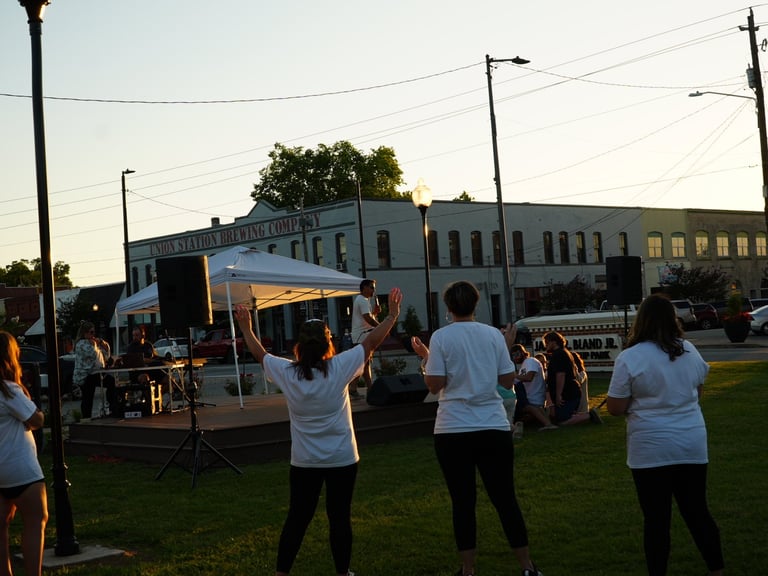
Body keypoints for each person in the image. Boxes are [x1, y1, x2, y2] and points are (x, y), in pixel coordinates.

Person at [234, 287, 403, 576]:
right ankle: (342, 572)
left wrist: (246, 328)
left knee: (297, 519)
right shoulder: (340, 366)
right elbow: (371, 342)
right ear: (328, 343)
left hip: (305, 462)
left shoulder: (288, 373)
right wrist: (392, 316)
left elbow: (260, 354)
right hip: (342, 459)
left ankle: (281, 573)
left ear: (299, 346)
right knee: (339, 518)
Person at [412, 281, 543, 576]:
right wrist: (501, 350)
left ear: (448, 307)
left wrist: (428, 362)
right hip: (492, 425)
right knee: (505, 499)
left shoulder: (441, 337)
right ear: (476, 304)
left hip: (452, 428)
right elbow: (507, 380)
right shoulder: (493, 335)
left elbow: (434, 385)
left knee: (463, 502)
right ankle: (527, 566)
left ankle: (468, 569)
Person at [606, 294, 724, 576]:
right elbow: (697, 392)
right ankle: (717, 570)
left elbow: (615, 408)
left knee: (657, 520)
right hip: (691, 443)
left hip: (650, 448)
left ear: (641, 321)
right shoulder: (689, 350)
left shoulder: (630, 357)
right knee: (698, 512)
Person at [0, 331, 48, 576]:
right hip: (20, 469)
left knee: (1, 529)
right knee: (35, 521)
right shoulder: (9, 390)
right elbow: (36, 419)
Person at [541, 331, 597, 426]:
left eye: (547, 342)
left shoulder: (559, 354)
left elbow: (561, 375)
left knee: (562, 421)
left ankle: (589, 416)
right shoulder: (564, 352)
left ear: (554, 342)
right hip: (569, 392)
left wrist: (558, 395)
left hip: (567, 393)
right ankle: (581, 416)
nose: (545, 345)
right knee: (558, 416)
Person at [72, 321, 117, 419]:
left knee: (111, 382)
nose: (93, 335)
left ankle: (112, 407)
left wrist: (102, 343)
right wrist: (95, 345)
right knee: (88, 396)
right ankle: (86, 417)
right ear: (85, 333)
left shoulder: (93, 342)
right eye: (91, 332)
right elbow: (93, 354)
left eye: (94, 332)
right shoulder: (81, 344)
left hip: (95, 372)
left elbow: (106, 353)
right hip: (85, 375)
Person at [509, 344, 556, 431]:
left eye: (516, 354)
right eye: (513, 356)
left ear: (522, 353)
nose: (515, 358)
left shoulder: (530, 361)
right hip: (530, 396)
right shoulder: (524, 365)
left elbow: (529, 377)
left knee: (526, 406)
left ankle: (548, 424)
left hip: (533, 397)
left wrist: (514, 375)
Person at [349, 279, 381, 399]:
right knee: (363, 363)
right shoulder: (362, 300)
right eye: (372, 287)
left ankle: (364, 388)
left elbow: (367, 318)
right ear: (365, 288)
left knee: (364, 363)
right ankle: (363, 388)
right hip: (361, 336)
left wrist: (375, 313)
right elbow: (367, 318)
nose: (373, 290)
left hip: (361, 336)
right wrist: (381, 327)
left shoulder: (362, 300)